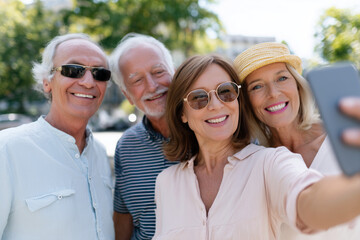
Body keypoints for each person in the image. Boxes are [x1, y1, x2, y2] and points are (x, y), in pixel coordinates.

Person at [153, 54, 360, 239]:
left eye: (226, 92)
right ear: (182, 113)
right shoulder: (166, 182)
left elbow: (311, 202)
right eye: (199, 98)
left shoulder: (269, 163)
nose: (215, 105)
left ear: (238, 102)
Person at [233, 42, 360, 239]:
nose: (273, 93)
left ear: (298, 85)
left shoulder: (344, 135)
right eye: (257, 86)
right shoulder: (257, 164)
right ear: (246, 102)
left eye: (282, 78)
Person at [0, 33, 114, 239]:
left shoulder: (99, 153)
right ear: (46, 82)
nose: (89, 82)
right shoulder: (7, 150)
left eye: (100, 73)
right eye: (73, 70)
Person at [109, 33, 178, 240]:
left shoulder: (212, 128)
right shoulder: (127, 146)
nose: (152, 86)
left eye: (158, 71)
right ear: (127, 95)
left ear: (174, 73)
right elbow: (123, 218)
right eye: (137, 80)